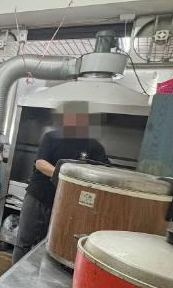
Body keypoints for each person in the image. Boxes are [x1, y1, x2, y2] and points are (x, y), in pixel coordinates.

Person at [12, 103, 109, 264]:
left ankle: (36, 276)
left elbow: (105, 170)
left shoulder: (93, 146)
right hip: (37, 196)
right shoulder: (51, 137)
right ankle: (15, 276)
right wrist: (66, 177)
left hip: (66, 205)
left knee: (47, 246)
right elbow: (41, 163)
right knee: (23, 241)